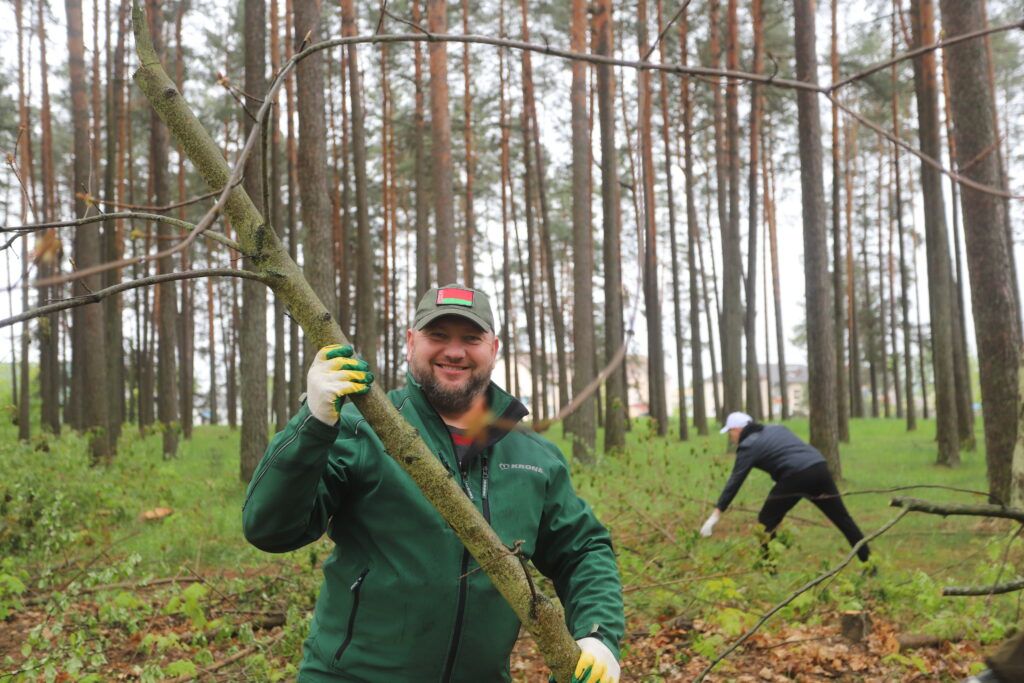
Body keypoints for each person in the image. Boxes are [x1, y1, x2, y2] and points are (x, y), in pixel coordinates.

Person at [243, 283, 624, 682]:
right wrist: (314, 422)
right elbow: (269, 528)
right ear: (411, 342)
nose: (454, 351)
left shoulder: (532, 456)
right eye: (437, 336)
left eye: (471, 338)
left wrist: (598, 636)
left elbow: (583, 549)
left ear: (493, 349)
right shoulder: (362, 429)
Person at [699, 412, 871, 563]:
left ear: (736, 429)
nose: (730, 437)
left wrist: (715, 515)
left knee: (766, 519)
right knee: (841, 517)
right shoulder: (777, 429)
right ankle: (869, 562)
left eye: (729, 432)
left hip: (796, 475)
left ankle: (769, 567)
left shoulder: (747, 447)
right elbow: (787, 451)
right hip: (819, 466)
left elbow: (734, 482)